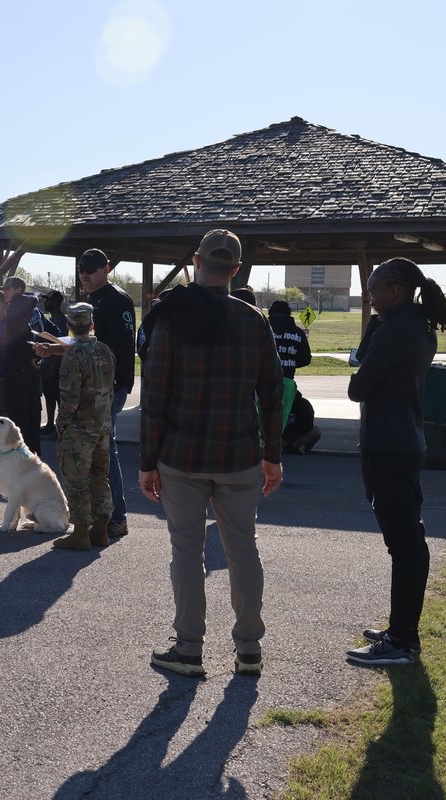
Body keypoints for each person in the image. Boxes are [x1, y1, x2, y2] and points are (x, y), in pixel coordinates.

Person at [138, 230, 284, 678]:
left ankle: (188, 648)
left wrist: (147, 462)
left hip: (181, 455)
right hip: (239, 453)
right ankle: (249, 649)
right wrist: (273, 455)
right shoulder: (254, 320)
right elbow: (273, 394)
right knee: (243, 550)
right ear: (236, 270)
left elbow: (154, 396)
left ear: (196, 261)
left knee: (187, 550)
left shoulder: (171, 316)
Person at [345, 257, 446, 667]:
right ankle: (402, 631)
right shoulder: (418, 327)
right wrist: (375, 332)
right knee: (406, 543)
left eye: (374, 291)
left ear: (395, 290)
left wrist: (372, 337)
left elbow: (357, 388)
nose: (370, 300)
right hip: (403, 442)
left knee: (405, 546)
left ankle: (401, 641)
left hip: (389, 447)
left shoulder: (396, 330)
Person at [75, 248, 138, 540]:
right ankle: (100, 515)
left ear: (107, 269)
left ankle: (116, 517)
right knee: (94, 452)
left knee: (104, 451)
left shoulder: (118, 300)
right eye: (81, 269)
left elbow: (121, 348)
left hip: (110, 386)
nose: (84, 274)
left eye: (91, 268)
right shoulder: (92, 300)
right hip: (92, 386)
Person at [51, 302, 117, 551]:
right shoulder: (104, 350)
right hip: (102, 425)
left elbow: (69, 397)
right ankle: (100, 529)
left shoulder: (73, 355)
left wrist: (61, 424)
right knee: (100, 476)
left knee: (76, 480)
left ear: (69, 326)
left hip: (79, 428)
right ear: (91, 325)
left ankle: (80, 532)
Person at [267, 300, 319, 454]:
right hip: (288, 382)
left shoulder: (265, 329)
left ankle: (271, 445)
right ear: (289, 314)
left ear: (270, 314)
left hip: (264, 381)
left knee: (266, 418)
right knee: (282, 416)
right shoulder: (297, 333)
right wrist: (290, 363)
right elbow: (306, 359)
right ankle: (285, 446)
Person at [0, 275, 44, 454]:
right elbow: (45, 332)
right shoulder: (33, 309)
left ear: (18, 289)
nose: (5, 293)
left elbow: (15, 341)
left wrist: (29, 357)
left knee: (19, 414)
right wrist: (36, 356)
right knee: (32, 414)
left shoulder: (14, 309)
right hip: (29, 369)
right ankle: (34, 452)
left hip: (18, 370)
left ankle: (23, 454)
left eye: (8, 289)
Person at [39, 290, 67, 441]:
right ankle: (50, 424)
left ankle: (57, 426)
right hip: (46, 363)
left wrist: (53, 367)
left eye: (47, 300)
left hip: (55, 366)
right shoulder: (53, 319)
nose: (45, 303)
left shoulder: (61, 321)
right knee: (49, 396)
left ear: (55, 302)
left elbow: (61, 346)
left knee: (57, 398)